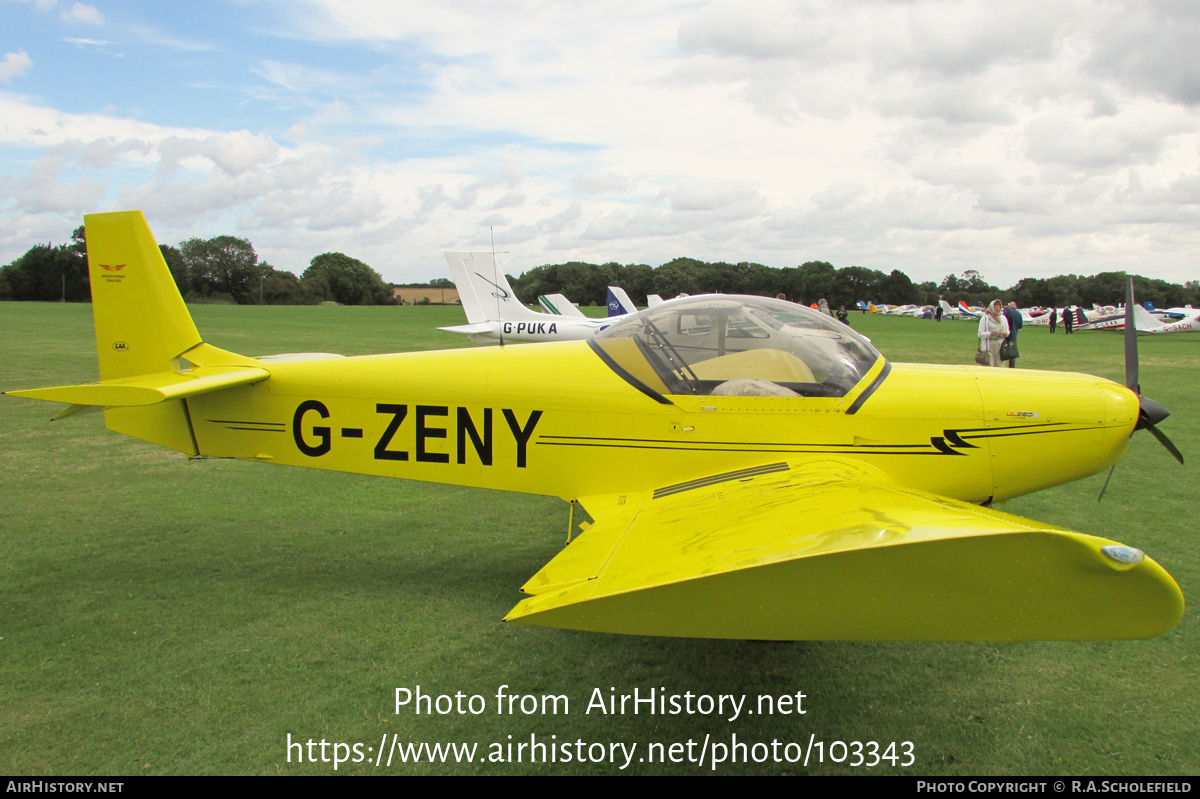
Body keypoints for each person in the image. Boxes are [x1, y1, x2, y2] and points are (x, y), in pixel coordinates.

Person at [977, 299, 1009, 367]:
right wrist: (990, 333)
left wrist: (1004, 333)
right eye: (995, 307)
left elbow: (1008, 331)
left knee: (1000, 364)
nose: (997, 309)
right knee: (989, 365)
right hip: (989, 345)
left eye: (999, 307)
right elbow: (980, 334)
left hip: (1000, 345)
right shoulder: (985, 319)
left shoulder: (1003, 318)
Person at [1003, 302, 1023, 368]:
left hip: (1005, 333)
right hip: (1014, 334)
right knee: (1012, 350)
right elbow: (1020, 326)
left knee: (1003, 348)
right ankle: (1012, 366)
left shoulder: (1006, 312)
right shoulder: (1019, 313)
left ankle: (1002, 364)